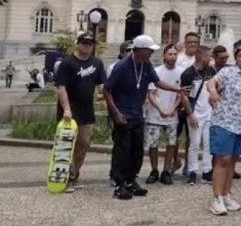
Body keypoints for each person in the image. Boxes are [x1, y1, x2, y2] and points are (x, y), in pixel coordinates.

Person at [104, 35, 185, 200]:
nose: (151, 53)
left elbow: (158, 82)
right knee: (123, 149)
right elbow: (106, 90)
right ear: (139, 50)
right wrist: (115, 112)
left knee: (137, 150)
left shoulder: (146, 64)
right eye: (149, 50)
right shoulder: (121, 67)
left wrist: (177, 89)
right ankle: (119, 184)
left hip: (137, 114)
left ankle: (131, 179)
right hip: (123, 115)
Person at [206, 41, 241, 215]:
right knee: (223, 160)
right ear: (236, 59)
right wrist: (213, 93)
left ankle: (226, 194)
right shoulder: (227, 72)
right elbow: (211, 82)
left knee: (233, 161)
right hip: (224, 122)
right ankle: (216, 198)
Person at [55, 32, 106, 192]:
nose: (88, 46)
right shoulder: (67, 63)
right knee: (67, 144)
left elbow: (102, 84)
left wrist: (104, 97)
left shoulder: (97, 63)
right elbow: (61, 87)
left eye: (91, 43)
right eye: (84, 43)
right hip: (70, 110)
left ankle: (75, 175)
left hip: (86, 109)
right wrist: (67, 109)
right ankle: (65, 178)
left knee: (83, 143)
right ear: (78, 43)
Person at [144, 44, 182, 185]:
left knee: (171, 143)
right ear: (164, 56)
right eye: (170, 54)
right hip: (155, 114)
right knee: (153, 144)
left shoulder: (181, 72)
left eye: (174, 54)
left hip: (172, 114)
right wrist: (160, 108)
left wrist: (173, 108)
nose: (172, 57)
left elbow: (181, 94)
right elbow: (151, 93)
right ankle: (154, 170)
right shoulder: (157, 71)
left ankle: (166, 171)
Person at [180, 45, 216, 185]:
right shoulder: (188, 74)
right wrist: (190, 114)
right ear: (201, 56)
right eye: (208, 56)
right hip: (195, 112)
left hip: (209, 113)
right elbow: (183, 96)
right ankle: (192, 171)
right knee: (194, 143)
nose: (210, 58)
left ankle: (207, 171)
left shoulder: (211, 71)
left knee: (208, 143)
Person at [174, 31, 200, 176]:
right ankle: (176, 159)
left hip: (194, 102)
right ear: (185, 43)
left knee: (191, 135)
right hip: (178, 100)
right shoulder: (179, 59)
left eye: (194, 42)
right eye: (189, 42)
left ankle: (188, 163)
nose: (192, 45)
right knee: (175, 134)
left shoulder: (200, 60)